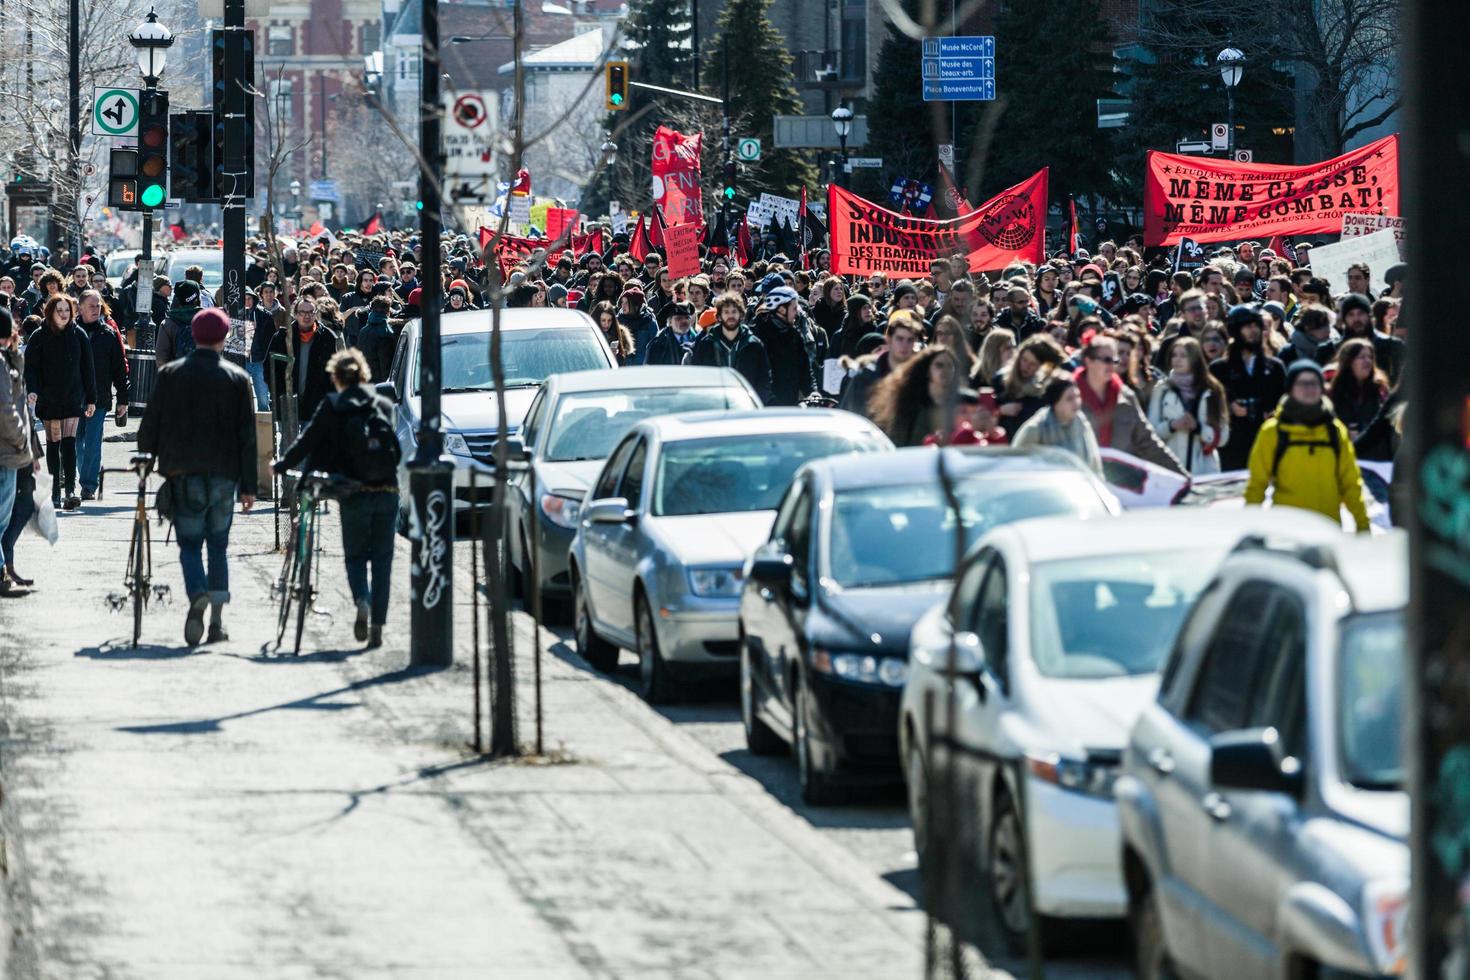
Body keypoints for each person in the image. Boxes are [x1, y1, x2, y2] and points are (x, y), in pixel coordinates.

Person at [137, 308, 259, 645]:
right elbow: (247, 437)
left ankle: (197, 593)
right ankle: (217, 622)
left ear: (194, 334)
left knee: (189, 543)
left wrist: (146, 457)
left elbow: (152, 422)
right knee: (218, 545)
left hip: (182, 471)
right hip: (224, 474)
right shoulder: (237, 379)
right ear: (223, 338)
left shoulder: (171, 375)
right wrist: (249, 487)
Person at [275, 349, 400, 648]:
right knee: (382, 562)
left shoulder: (332, 405)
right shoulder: (383, 404)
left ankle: (362, 599)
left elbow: (308, 442)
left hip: (353, 492)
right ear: (364, 375)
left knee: (355, 557)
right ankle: (378, 628)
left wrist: (282, 465)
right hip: (388, 492)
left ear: (335, 377)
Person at [1245, 360, 1370, 533]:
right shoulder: (1273, 431)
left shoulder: (1335, 430)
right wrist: (1250, 527)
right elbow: (1257, 484)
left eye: (1314, 383)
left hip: (1328, 527)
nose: (1309, 389)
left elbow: (1350, 482)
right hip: (1286, 531)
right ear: (1290, 389)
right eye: (1302, 383)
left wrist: (1363, 524)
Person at [24, 294, 96, 510]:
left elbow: (88, 368)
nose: (64, 314)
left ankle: (70, 490)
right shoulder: (39, 336)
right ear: (50, 313)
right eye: (60, 311)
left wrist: (92, 398)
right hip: (49, 397)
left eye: (67, 310)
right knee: (53, 444)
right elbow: (31, 367)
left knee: (69, 442)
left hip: (73, 395)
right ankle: (55, 491)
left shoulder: (78, 334)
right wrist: (33, 390)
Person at [1075, 334, 1185, 475]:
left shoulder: (1125, 397)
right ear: (1088, 361)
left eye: (1114, 360)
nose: (1112, 365)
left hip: (1119, 482)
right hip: (1079, 483)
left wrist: (1182, 475)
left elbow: (1148, 442)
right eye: (1106, 360)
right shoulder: (1070, 395)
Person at [75, 290, 129, 500]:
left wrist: (123, 399)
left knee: (93, 440)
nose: (96, 309)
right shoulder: (70, 332)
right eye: (91, 306)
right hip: (73, 397)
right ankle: (84, 476)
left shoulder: (108, 334)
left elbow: (119, 368)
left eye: (98, 306)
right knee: (76, 442)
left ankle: (88, 485)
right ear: (80, 308)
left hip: (99, 397)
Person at [1147, 337, 1229, 476]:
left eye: (1183, 355)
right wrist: (1172, 425)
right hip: (1170, 470)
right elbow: (1151, 432)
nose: (1177, 360)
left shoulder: (1212, 390)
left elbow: (1222, 437)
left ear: (1195, 358)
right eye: (1174, 355)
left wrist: (1198, 428)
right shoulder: (1162, 389)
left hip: (1204, 470)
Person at [0, 307, 35, 594]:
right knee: (1, 518)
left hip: (10, 450)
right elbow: (7, 409)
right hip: (6, 450)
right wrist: (23, 440)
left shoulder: (8, 359)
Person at [867, 346, 960, 447]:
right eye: (939, 365)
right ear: (927, 369)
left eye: (950, 366)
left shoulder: (960, 404)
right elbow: (898, 441)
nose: (945, 370)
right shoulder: (909, 403)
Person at [688, 292, 772, 402]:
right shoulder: (707, 344)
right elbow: (698, 376)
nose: (730, 316)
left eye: (734, 311)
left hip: (746, 405)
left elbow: (764, 379)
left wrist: (757, 403)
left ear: (741, 315)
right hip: (715, 404)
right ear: (719, 317)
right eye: (726, 312)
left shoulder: (754, 345)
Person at [268, 296, 340, 424]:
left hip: (315, 403)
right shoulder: (282, 337)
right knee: (288, 442)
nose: (306, 316)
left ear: (316, 314)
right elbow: (269, 368)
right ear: (295, 314)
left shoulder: (326, 337)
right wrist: (279, 393)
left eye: (311, 312)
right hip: (288, 402)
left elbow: (333, 372)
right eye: (302, 312)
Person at [838, 310, 923, 417]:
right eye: (899, 339)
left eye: (910, 340)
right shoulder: (865, 377)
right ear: (888, 340)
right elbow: (849, 417)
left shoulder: (921, 377)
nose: (904, 345)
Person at [1012, 376, 1103, 475]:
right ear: (1055, 403)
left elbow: (1095, 463)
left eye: (1077, 396)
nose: (1076, 403)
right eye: (1069, 399)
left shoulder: (1082, 422)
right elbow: (1016, 466)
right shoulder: (1035, 429)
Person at [751, 286, 817, 407]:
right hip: (765, 409)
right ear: (781, 310)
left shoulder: (795, 335)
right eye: (793, 308)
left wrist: (813, 392)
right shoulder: (757, 337)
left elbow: (805, 371)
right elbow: (756, 379)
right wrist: (772, 402)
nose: (797, 313)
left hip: (790, 406)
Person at [994, 334, 1064, 439]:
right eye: (1024, 360)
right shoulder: (1001, 380)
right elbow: (984, 414)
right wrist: (1000, 411)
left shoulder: (1045, 390)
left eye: (1033, 364)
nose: (1025, 367)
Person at [1327, 338, 1389, 442]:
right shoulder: (1332, 392)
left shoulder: (1380, 390)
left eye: (1370, 357)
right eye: (1361, 357)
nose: (1368, 361)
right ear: (1348, 362)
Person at [644, 301, 698, 366]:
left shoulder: (699, 340)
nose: (684, 321)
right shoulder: (657, 345)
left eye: (687, 318)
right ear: (670, 322)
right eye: (678, 318)